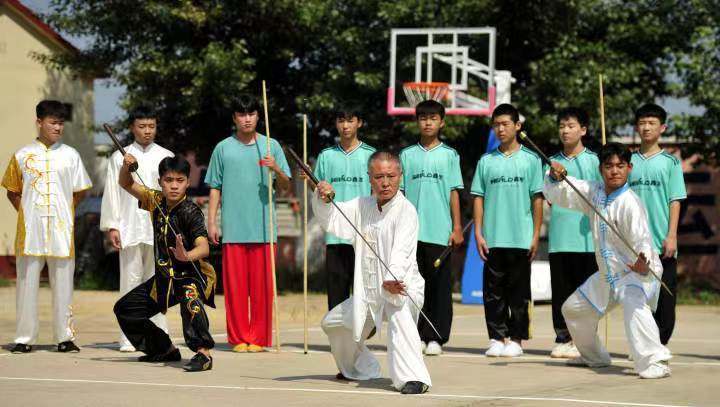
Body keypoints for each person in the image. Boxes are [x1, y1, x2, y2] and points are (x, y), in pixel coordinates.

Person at [545, 142, 672, 379]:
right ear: (601, 169)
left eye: (620, 166)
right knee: (572, 310)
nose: (614, 171)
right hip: (608, 274)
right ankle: (595, 357)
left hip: (637, 271)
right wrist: (556, 177)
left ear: (629, 168)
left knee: (633, 302)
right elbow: (566, 191)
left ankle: (656, 361)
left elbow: (642, 238)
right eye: (609, 166)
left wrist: (642, 262)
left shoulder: (630, 203)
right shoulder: (594, 192)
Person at [313, 151, 431, 395]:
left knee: (399, 318)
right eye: (379, 176)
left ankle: (414, 378)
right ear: (369, 178)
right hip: (368, 290)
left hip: (400, 285)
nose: (385, 182)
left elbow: (403, 251)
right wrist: (324, 197)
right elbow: (333, 219)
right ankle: (360, 368)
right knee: (334, 323)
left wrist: (392, 278)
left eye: (391, 176)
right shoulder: (361, 205)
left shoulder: (406, 211)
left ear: (400, 176)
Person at [2, 100, 92, 354]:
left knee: (64, 284)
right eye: (53, 122)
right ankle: (24, 337)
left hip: (62, 231)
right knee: (27, 283)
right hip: (30, 232)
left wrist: (64, 212)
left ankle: (64, 337)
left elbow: (80, 191)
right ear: (39, 122)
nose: (58, 127)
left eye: (61, 123)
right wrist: (29, 213)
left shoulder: (71, 155)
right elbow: (12, 191)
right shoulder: (22, 155)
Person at [113, 154, 216, 372]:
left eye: (180, 181)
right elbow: (125, 183)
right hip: (164, 278)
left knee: (191, 300)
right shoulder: (156, 200)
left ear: (188, 182)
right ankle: (165, 349)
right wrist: (126, 167)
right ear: (160, 181)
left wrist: (185, 256)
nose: (174, 186)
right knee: (125, 309)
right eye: (169, 180)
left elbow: (204, 247)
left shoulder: (191, 212)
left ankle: (203, 354)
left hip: (190, 275)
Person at [205, 94, 291, 352]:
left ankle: (259, 337)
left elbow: (286, 186)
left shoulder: (270, 146)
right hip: (233, 229)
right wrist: (211, 222)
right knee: (235, 289)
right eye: (242, 114)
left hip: (265, 230)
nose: (247, 119)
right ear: (234, 118)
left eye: (251, 114)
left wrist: (275, 168)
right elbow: (215, 188)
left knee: (263, 289)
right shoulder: (223, 148)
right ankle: (239, 336)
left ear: (258, 116)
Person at [470, 103, 544, 358]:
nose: (500, 129)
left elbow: (537, 199)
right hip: (493, 237)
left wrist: (535, 235)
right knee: (493, 292)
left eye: (505, 124)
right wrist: (478, 232)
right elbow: (478, 197)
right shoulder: (486, 161)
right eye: (496, 124)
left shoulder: (531, 160)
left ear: (517, 126)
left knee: (520, 293)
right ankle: (496, 337)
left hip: (521, 237)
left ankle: (516, 339)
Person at [100, 106, 174, 352]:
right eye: (142, 126)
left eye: (151, 126)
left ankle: (160, 333)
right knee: (130, 282)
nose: (147, 131)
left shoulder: (167, 156)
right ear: (133, 127)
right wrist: (112, 226)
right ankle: (129, 337)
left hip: (158, 228)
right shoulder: (119, 157)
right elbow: (112, 192)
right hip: (129, 226)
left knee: (158, 282)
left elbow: (174, 193)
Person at [399, 100, 463, 356]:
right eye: (423, 117)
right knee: (414, 286)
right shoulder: (406, 155)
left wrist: (457, 226)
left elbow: (454, 193)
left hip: (440, 231)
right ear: (417, 121)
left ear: (442, 122)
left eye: (433, 118)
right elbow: (399, 195)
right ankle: (415, 335)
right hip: (410, 233)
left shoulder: (450, 155)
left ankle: (436, 337)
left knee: (439, 287)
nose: (427, 122)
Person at [545, 107, 601, 359]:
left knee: (588, 293)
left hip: (589, 240)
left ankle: (586, 340)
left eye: (570, 126)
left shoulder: (595, 160)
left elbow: (602, 194)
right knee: (561, 291)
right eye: (562, 126)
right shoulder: (551, 163)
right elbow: (547, 195)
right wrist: (555, 178)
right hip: (560, 238)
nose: (565, 131)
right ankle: (564, 337)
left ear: (583, 130)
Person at [629, 104, 686, 346]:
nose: (646, 127)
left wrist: (671, 235)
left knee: (664, 296)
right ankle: (643, 343)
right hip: (633, 243)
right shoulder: (627, 162)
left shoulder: (670, 163)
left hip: (661, 240)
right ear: (636, 127)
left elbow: (675, 200)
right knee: (638, 296)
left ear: (662, 128)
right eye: (642, 123)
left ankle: (660, 344)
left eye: (651, 123)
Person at [313, 107, 376, 310]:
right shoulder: (326, 156)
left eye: (350, 120)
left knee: (363, 293)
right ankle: (338, 340)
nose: (345, 125)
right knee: (337, 292)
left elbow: (377, 194)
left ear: (359, 122)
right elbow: (318, 189)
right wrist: (312, 183)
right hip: (336, 234)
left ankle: (360, 337)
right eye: (341, 121)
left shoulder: (371, 155)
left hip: (364, 234)